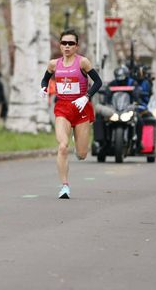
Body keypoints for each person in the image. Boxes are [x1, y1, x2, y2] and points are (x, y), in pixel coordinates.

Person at [38, 29, 102, 199]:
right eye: (64, 43)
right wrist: (43, 87)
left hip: (81, 109)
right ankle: (64, 186)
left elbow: (98, 82)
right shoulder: (54, 64)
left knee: (81, 154)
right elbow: (45, 78)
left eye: (71, 43)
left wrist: (87, 96)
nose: (67, 46)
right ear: (60, 45)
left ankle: (78, 140)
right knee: (62, 146)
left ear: (76, 46)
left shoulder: (83, 63)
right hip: (63, 108)